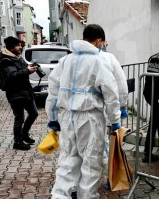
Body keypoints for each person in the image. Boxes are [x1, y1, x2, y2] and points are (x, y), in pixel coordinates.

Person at [45, 24, 122, 199]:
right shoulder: (98, 61)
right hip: (90, 118)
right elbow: (111, 94)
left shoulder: (65, 61)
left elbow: (53, 91)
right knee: (91, 163)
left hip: (67, 118)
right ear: (99, 40)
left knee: (68, 161)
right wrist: (115, 120)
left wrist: (53, 118)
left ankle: (59, 196)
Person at [0, 36, 38, 150]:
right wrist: (27, 71)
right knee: (19, 118)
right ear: (11, 47)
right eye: (18, 45)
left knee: (34, 113)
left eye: (20, 45)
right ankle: (17, 142)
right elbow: (11, 77)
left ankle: (24, 134)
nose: (20, 47)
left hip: (25, 91)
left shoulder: (17, 57)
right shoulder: (6, 60)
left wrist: (29, 67)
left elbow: (22, 70)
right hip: (15, 94)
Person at [99, 40, 129, 190]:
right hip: (108, 111)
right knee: (111, 146)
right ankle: (111, 178)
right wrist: (122, 105)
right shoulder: (108, 58)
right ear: (100, 41)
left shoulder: (72, 59)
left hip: (82, 114)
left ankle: (79, 184)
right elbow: (121, 84)